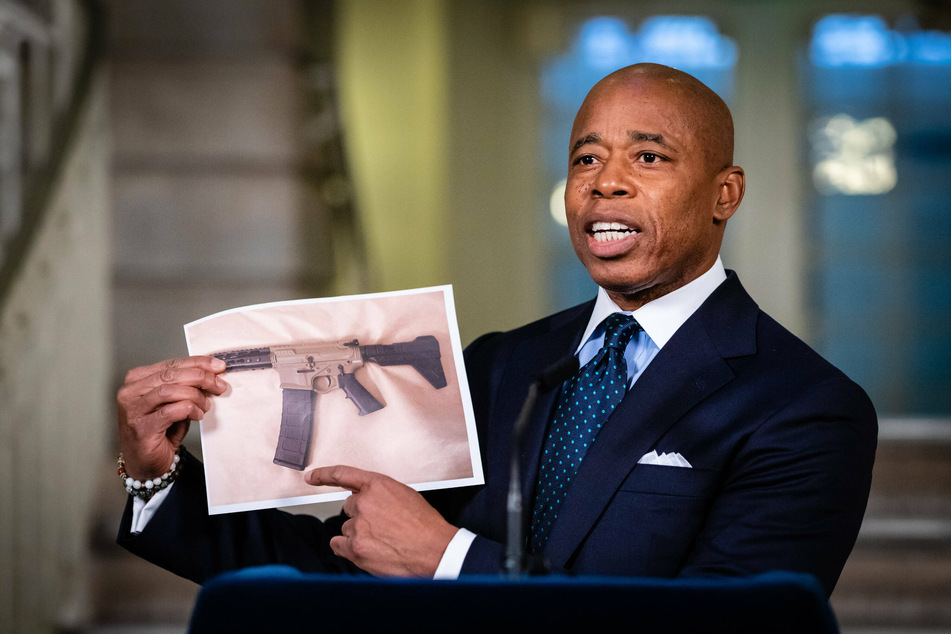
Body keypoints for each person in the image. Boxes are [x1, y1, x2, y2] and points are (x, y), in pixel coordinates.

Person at [116, 63, 877, 596]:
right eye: (586, 157)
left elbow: (725, 627)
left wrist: (450, 560)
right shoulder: (499, 365)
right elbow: (358, 560)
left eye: (648, 156)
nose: (604, 181)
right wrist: (157, 479)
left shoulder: (806, 409)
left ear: (724, 193)